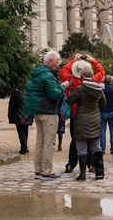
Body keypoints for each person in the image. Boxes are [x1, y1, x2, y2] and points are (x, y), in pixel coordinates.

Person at [23, 50, 68, 181]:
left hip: (37, 111)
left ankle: (38, 170)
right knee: (49, 142)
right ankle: (46, 172)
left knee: (40, 142)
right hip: (48, 112)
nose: (57, 65)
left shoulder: (37, 73)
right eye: (56, 62)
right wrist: (63, 86)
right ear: (49, 61)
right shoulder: (47, 75)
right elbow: (54, 94)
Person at [60, 53, 105, 173]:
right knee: (92, 140)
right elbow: (101, 71)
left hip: (77, 115)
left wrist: (73, 60)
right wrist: (94, 61)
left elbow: (63, 71)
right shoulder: (94, 81)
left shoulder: (72, 80)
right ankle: (91, 165)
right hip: (93, 115)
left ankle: (71, 164)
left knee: (76, 140)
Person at [67, 66, 106, 181]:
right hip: (94, 120)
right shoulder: (99, 89)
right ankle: (99, 173)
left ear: (82, 76)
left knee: (81, 148)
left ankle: (82, 174)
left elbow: (70, 100)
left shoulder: (80, 89)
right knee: (96, 147)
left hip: (81, 121)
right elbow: (103, 104)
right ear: (92, 75)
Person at [8, 88, 33, 155]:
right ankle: (24, 146)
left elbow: (11, 105)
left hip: (18, 115)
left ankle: (24, 147)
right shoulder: (29, 91)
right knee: (25, 130)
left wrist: (10, 115)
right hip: (27, 114)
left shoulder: (15, 92)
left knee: (20, 131)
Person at [100, 75, 113, 155]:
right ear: (111, 81)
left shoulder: (102, 89)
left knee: (102, 130)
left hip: (103, 111)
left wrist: (102, 82)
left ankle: (102, 149)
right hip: (112, 111)